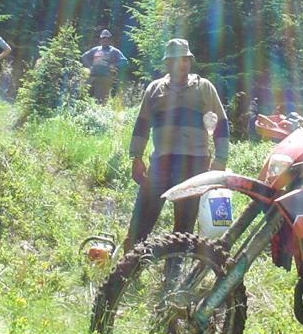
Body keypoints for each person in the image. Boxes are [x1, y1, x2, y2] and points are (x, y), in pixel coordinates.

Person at [123, 38, 229, 252]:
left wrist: (220, 159)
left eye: (185, 60)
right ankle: (128, 268)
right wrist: (136, 158)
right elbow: (142, 125)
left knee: (185, 224)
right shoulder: (155, 90)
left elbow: (221, 123)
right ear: (167, 63)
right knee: (142, 218)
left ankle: (174, 272)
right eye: (176, 60)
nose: (181, 65)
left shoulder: (204, 88)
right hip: (162, 163)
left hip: (195, 166)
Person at [81, 29, 128, 103]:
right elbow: (84, 56)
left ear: (109, 40)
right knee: (85, 98)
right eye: (103, 39)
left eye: (107, 39)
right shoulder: (95, 49)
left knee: (100, 101)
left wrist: (113, 65)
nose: (105, 41)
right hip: (92, 77)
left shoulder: (114, 51)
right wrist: (90, 66)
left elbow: (124, 62)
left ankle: (100, 112)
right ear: (100, 40)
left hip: (105, 79)